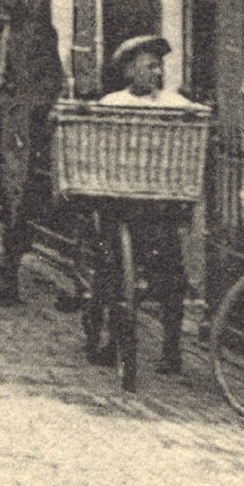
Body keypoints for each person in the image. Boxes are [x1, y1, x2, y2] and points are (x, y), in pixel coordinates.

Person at [97, 34, 206, 373]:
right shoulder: (112, 103)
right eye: (149, 66)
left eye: (159, 67)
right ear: (129, 70)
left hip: (160, 203)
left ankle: (171, 349)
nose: (157, 73)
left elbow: (198, 122)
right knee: (112, 270)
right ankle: (112, 342)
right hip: (123, 201)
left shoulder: (174, 103)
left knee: (171, 276)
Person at [0, 0, 70, 306]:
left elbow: (50, 80)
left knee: (17, 195)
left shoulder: (38, 29)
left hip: (20, 122)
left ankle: (8, 274)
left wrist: (29, 111)